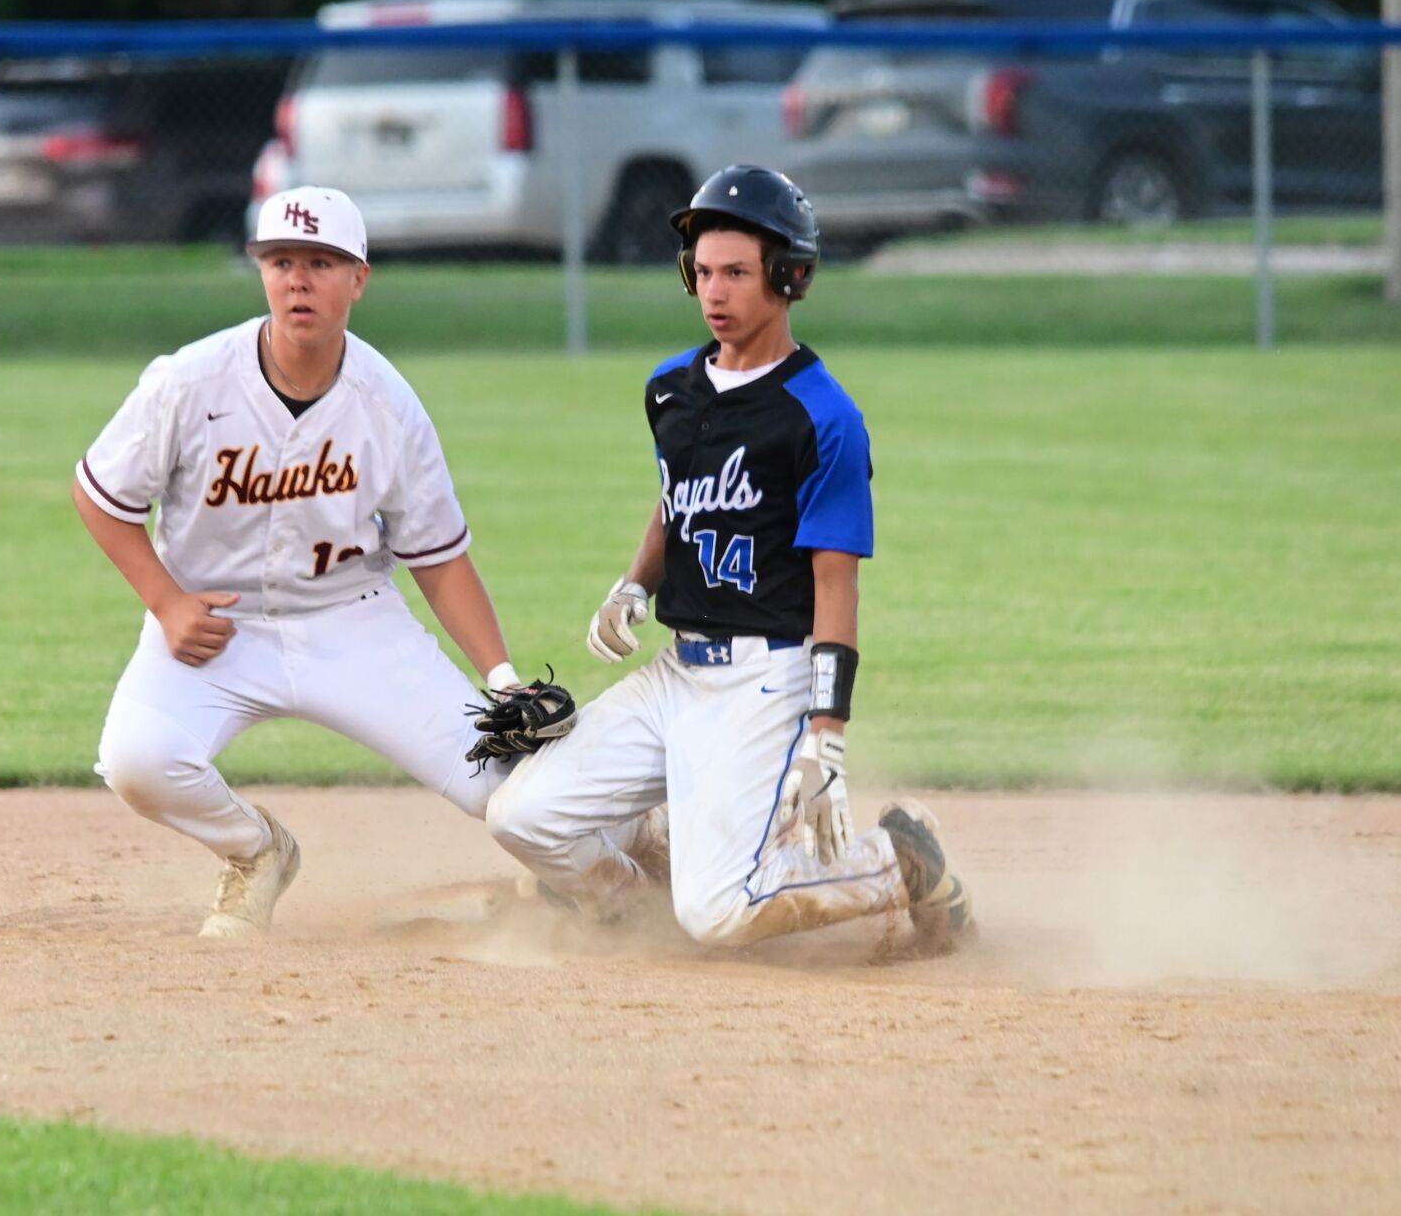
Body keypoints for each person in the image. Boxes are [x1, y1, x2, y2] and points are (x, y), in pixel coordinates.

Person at [72, 186, 655, 939]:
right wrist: (166, 601)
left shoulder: (387, 404)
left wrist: (502, 679)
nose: (298, 280)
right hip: (217, 625)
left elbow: (439, 559)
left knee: (504, 790)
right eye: (281, 261)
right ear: (261, 273)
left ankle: (630, 871)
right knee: (137, 760)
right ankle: (256, 853)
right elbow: (101, 495)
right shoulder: (189, 381)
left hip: (353, 625)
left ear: (358, 279)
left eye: (321, 262)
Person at [486, 165, 974, 952]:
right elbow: (677, 498)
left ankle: (896, 862)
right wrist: (633, 585)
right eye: (702, 272)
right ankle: (630, 903)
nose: (714, 292)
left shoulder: (823, 417)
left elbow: (834, 583)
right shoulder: (669, 389)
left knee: (716, 912)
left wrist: (827, 730)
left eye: (737, 274)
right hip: (675, 674)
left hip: (764, 681)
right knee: (519, 816)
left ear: (789, 277)